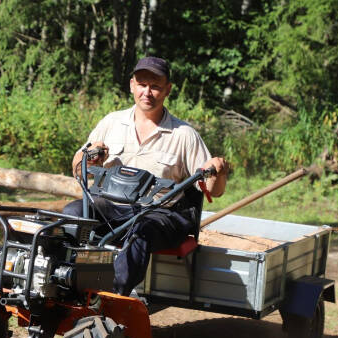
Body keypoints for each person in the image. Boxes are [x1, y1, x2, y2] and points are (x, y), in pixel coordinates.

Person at [64, 56, 229, 296]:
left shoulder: (184, 135)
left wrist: (218, 171)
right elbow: (77, 168)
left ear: (168, 90)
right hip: (111, 206)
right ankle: (67, 282)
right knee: (72, 213)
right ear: (132, 85)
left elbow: (215, 190)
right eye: (142, 84)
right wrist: (88, 158)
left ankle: (113, 296)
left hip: (160, 214)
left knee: (142, 230)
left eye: (155, 86)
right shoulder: (112, 122)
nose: (147, 92)